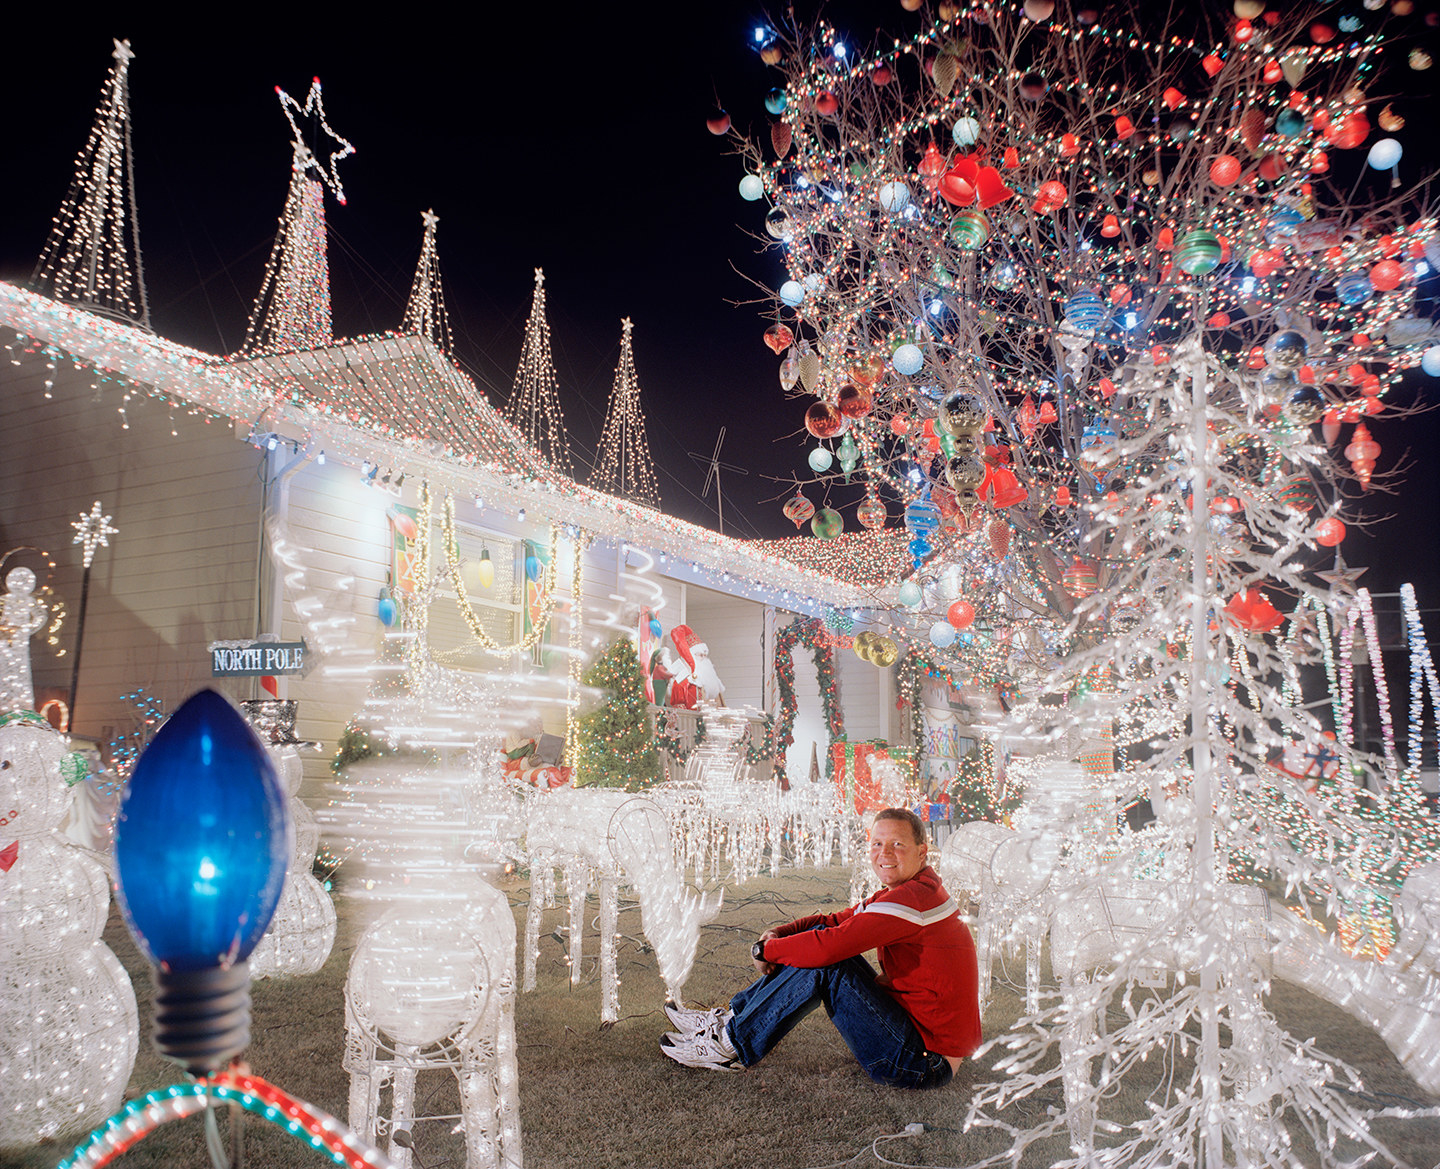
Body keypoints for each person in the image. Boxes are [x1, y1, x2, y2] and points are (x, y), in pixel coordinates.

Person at [661, 807, 981, 1087]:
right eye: (877, 844)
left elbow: (828, 948)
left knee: (829, 961)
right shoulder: (914, 889)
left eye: (898, 845)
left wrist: (765, 951)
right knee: (821, 940)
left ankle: (730, 1045)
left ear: (922, 852)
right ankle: (732, 1020)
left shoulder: (913, 900)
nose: (885, 854)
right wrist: (777, 933)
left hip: (922, 1064)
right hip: (919, 1042)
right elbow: (831, 922)